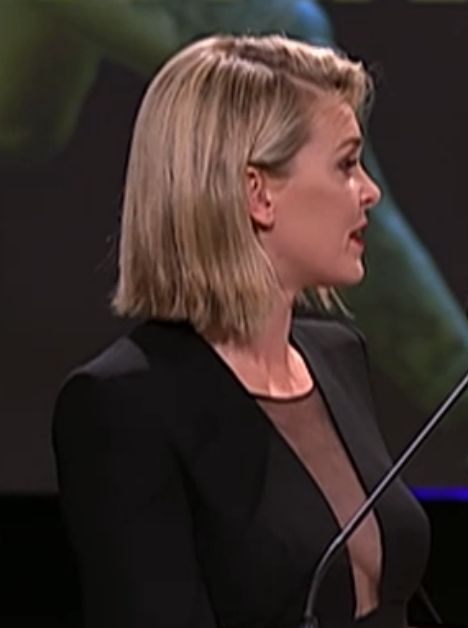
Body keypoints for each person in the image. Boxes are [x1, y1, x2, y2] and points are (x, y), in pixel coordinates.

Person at [52, 34, 431, 628]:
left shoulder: (337, 357)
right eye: (346, 164)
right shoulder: (122, 405)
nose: (369, 191)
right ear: (258, 193)